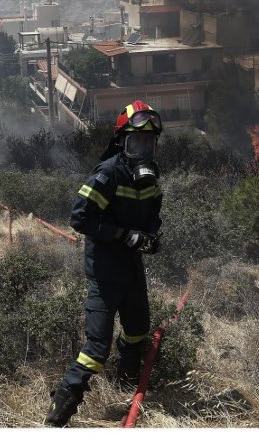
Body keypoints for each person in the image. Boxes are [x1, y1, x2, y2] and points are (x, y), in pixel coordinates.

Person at [45, 100, 164, 427]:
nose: (144, 148)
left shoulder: (151, 179)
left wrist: (152, 236)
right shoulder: (108, 173)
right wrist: (124, 235)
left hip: (132, 270)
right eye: (137, 141)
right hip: (105, 272)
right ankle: (56, 417)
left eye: (149, 142)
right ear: (122, 142)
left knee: (138, 333)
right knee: (96, 349)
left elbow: (154, 215)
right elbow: (79, 218)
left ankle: (125, 383)